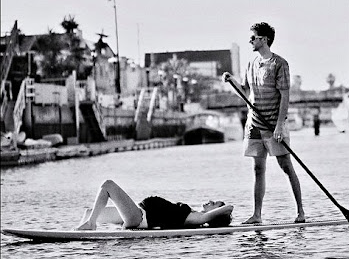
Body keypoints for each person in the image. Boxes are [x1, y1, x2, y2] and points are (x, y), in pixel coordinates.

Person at [222, 22, 306, 225]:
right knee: (258, 169)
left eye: (253, 37)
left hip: (274, 125)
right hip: (254, 125)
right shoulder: (251, 64)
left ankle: (301, 212)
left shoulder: (280, 64)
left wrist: (279, 125)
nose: (250, 40)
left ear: (264, 39)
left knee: (286, 166)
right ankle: (257, 215)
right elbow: (245, 92)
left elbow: (285, 97)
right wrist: (232, 81)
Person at [76, 179, 234, 230]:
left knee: (108, 185)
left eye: (215, 204)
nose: (211, 201)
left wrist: (222, 212)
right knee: (90, 212)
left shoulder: (199, 218)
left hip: (139, 217)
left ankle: (91, 225)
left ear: (216, 213)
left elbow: (230, 207)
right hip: (137, 212)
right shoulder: (194, 213)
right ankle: (87, 226)